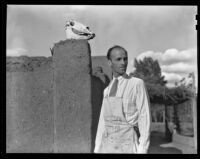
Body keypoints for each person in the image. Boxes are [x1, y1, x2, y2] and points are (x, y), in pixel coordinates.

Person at [94, 45, 151, 153]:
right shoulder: (107, 91)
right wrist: (97, 148)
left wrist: (142, 149)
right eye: (118, 59)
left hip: (127, 145)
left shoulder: (136, 84)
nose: (123, 62)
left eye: (125, 59)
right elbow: (102, 122)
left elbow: (144, 117)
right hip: (107, 146)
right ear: (110, 63)